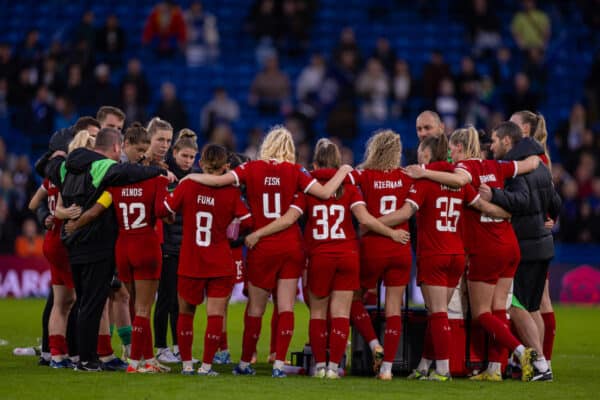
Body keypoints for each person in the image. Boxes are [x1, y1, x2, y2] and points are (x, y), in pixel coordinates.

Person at [182, 126, 353, 377]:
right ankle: (279, 365)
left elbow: (219, 181)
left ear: (267, 145)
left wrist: (190, 178)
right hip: (290, 246)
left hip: (262, 247)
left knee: (255, 309)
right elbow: (327, 193)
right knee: (285, 307)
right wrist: (344, 170)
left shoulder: (251, 168)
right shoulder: (296, 171)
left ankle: (244, 363)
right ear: (290, 149)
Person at [245, 139, 409, 379]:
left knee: (318, 314)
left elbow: (290, 218)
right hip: (347, 255)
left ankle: (320, 366)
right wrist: (393, 233)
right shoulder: (349, 188)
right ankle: (334, 367)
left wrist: (258, 233)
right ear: (338, 162)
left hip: (320, 255)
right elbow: (366, 219)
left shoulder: (308, 189)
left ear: (314, 162)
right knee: (342, 312)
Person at [404, 126, 541, 382]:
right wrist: (539, 155)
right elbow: (530, 165)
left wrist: (423, 171)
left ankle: (521, 351)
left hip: (481, 249)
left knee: (476, 312)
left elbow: (460, 181)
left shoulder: (464, 169)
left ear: (457, 147)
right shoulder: (497, 166)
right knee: (500, 308)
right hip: (509, 244)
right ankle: (496, 369)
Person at [376, 134, 516, 381]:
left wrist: (372, 223)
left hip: (434, 253)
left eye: (421, 151)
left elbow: (405, 213)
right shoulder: (458, 180)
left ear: (428, 154)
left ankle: (442, 371)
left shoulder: (424, 178)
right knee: (437, 314)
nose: (419, 156)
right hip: (456, 255)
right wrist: (506, 214)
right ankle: (424, 366)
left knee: (438, 312)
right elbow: (481, 205)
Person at [44, 128, 169, 371]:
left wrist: (56, 153)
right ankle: (88, 359)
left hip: (73, 243)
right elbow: (127, 171)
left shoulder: (65, 167)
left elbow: (46, 168)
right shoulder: (102, 167)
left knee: (80, 303)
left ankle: (75, 354)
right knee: (92, 303)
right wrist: (159, 170)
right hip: (97, 244)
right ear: (115, 148)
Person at [157, 144, 252, 376]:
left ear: (201, 163)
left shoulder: (188, 185)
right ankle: (207, 367)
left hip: (190, 260)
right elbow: (248, 221)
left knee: (186, 313)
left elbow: (163, 209)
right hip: (219, 261)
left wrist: (170, 215)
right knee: (215, 315)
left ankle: (187, 365)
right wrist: (232, 224)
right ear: (226, 166)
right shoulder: (231, 192)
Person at [479, 121, 560, 381]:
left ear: (506, 141)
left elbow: (521, 201)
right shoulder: (541, 165)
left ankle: (540, 366)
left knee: (516, 307)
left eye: (493, 141)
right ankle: (543, 365)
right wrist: (550, 218)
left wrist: (493, 195)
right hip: (543, 243)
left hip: (525, 245)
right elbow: (555, 201)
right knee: (532, 307)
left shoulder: (518, 169)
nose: (491, 147)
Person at [345, 130, 413, 380]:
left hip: (372, 246)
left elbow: (341, 178)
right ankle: (387, 369)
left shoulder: (362, 175)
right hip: (401, 246)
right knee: (394, 307)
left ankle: (375, 345)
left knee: (352, 298)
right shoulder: (407, 176)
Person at [510, 110, 556, 370]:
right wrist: (551, 216)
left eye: (514, 124)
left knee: (536, 303)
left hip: (531, 238)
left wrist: (549, 216)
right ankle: (538, 359)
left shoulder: (535, 158)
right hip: (537, 236)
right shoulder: (538, 156)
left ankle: (542, 359)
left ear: (525, 130)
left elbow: (543, 195)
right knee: (535, 302)